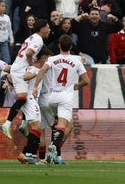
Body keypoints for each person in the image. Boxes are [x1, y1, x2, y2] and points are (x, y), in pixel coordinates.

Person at [33, 34, 90, 166]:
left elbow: (42, 70)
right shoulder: (76, 61)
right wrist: (78, 85)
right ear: (71, 46)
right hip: (65, 98)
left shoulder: (52, 59)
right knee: (63, 127)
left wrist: (35, 86)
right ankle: (54, 147)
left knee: (65, 125)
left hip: (52, 97)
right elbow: (86, 81)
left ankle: (56, 151)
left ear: (59, 45)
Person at [0, 19, 51, 140]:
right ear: (42, 28)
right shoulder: (38, 39)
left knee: (28, 96)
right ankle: (6, 124)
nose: (49, 29)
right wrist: (31, 65)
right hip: (20, 70)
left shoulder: (32, 37)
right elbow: (29, 53)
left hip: (18, 66)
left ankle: (23, 125)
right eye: (48, 27)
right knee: (23, 97)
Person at [16, 47, 49, 165]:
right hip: (30, 98)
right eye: (47, 59)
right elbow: (25, 76)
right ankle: (27, 154)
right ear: (44, 58)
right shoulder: (34, 69)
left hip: (32, 99)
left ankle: (27, 154)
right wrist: (33, 74)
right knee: (37, 126)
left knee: (37, 127)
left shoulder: (38, 69)